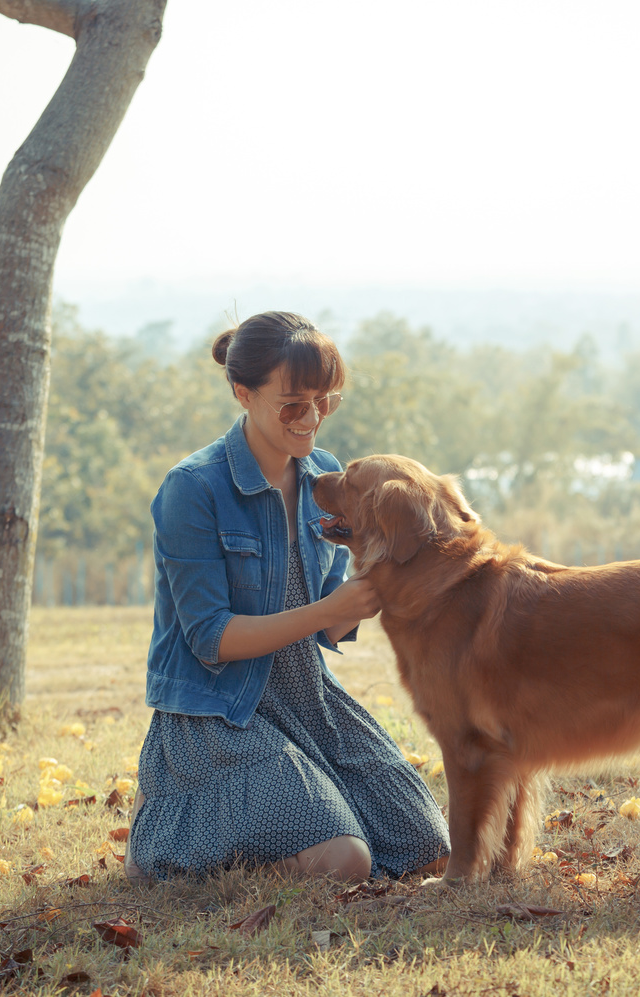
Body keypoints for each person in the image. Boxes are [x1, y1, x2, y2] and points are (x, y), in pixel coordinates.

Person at [124, 310, 451, 883]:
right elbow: (210, 639)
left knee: (428, 845)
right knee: (345, 861)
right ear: (243, 393)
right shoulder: (192, 489)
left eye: (326, 401)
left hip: (307, 698)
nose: (313, 419)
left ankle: (302, 815)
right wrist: (331, 609)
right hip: (217, 712)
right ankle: (167, 832)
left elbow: (330, 622)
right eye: (295, 404)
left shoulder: (324, 476)